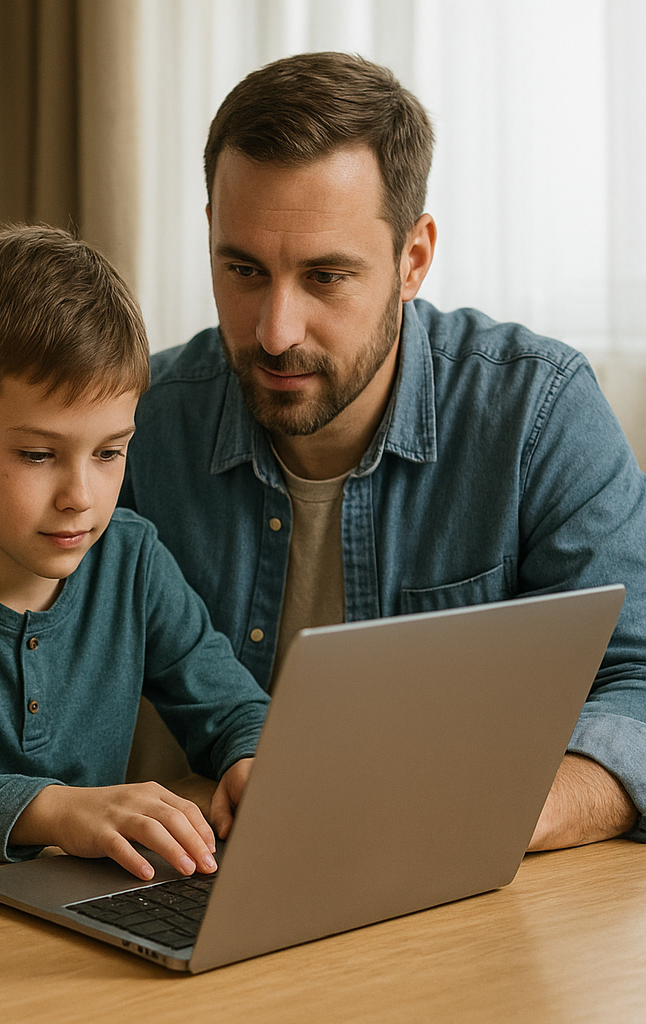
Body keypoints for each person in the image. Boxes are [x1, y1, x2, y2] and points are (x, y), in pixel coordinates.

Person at [124, 51, 646, 848]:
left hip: (454, 896)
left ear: (414, 259)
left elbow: (638, 676)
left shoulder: (536, 413)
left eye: (326, 277)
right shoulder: (136, 428)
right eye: (243, 269)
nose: (275, 330)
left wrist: (504, 813)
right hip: (194, 879)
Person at [0, 226, 271, 878]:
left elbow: (231, 709)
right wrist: (60, 812)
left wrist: (249, 761)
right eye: (39, 455)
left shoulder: (132, 558)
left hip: (84, 905)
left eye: (110, 451)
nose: (80, 496)